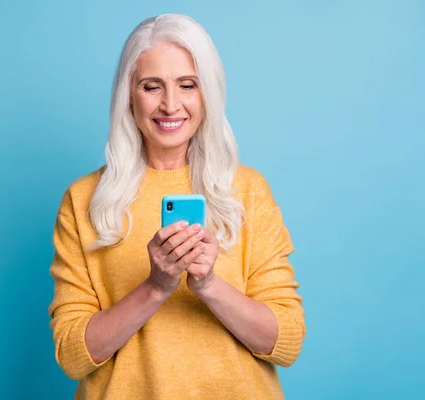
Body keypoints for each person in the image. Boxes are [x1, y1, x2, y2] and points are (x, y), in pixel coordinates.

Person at [48, 13, 305, 400]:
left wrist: (208, 284)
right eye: (152, 87)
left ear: (208, 94)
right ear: (128, 95)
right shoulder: (85, 198)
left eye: (187, 85)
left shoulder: (247, 190)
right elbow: (72, 355)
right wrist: (156, 286)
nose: (171, 105)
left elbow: (286, 341)